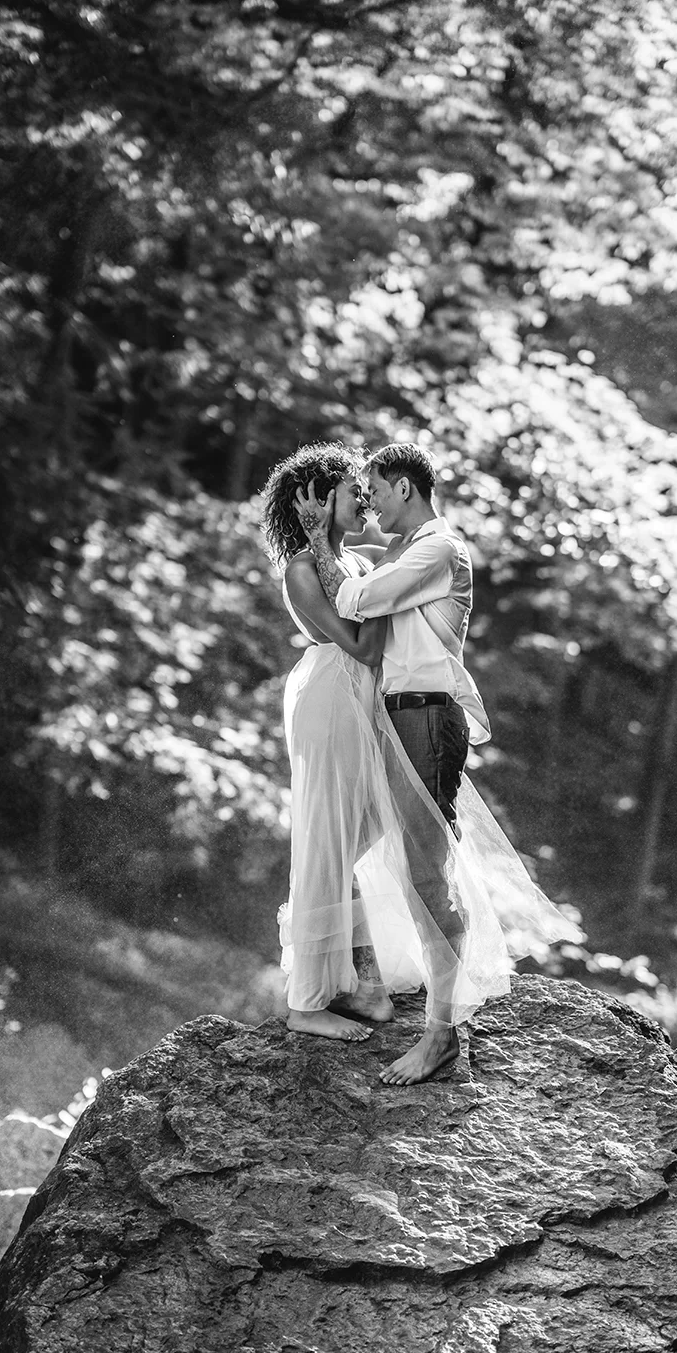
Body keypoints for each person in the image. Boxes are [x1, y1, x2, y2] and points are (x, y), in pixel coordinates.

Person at [295, 441, 583, 1085]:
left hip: (425, 713)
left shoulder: (437, 549)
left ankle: (441, 1033)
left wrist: (320, 543)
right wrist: (322, 540)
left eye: (374, 488)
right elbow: (355, 586)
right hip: (403, 717)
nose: (368, 501)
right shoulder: (407, 550)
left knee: (428, 871)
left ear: (403, 487)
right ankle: (379, 991)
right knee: (389, 858)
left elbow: (355, 602)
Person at [260, 441, 397, 1042]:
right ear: (316, 500)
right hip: (333, 700)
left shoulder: (358, 563)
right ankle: (308, 1000)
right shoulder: (300, 569)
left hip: (363, 703)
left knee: (365, 832)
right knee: (328, 841)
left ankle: (355, 981)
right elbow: (363, 645)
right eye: (351, 490)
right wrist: (316, 542)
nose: (363, 499)